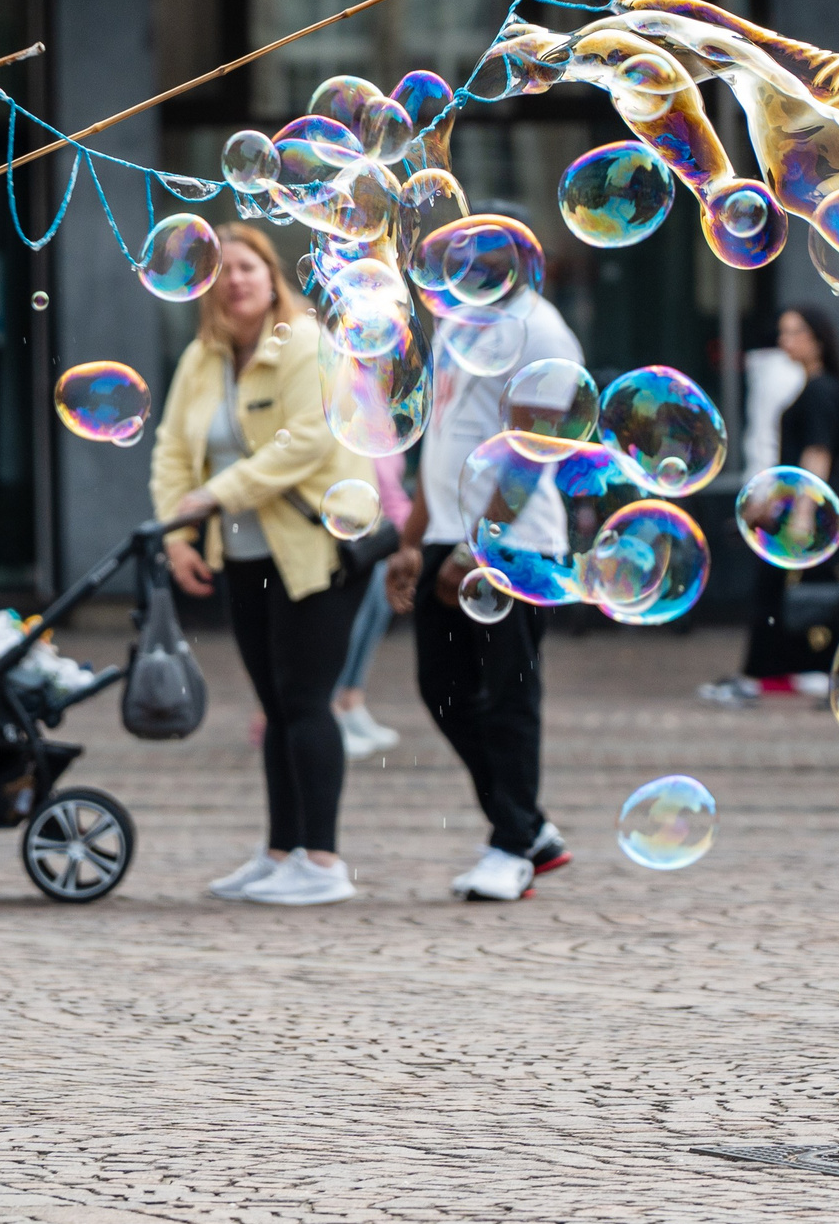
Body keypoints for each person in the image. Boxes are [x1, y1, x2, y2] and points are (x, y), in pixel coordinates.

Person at [151, 222, 375, 907]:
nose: (238, 279)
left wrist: (215, 495)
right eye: (224, 270)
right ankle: (281, 851)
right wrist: (177, 538)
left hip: (315, 551)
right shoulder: (202, 358)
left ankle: (324, 860)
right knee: (275, 707)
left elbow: (305, 442)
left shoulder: (306, 344)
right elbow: (170, 451)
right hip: (243, 554)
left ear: (271, 276)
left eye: (249, 267)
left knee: (307, 703)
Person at [385, 256, 584, 903]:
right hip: (448, 534)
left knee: (507, 698)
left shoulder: (542, 331)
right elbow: (440, 443)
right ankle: (528, 828)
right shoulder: (460, 325)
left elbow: (531, 455)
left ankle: (511, 844)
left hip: (513, 545)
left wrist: (480, 551)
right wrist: (412, 541)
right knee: (441, 689)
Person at [701, 304, 839, 705]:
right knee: (788, 590)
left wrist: (803, 514)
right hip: (804, 507)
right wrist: (771, 502)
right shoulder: (813, 385)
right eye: (783, 332)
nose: (783, 340)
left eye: (793, 332)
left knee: (807, 590)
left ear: (817, 339)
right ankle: (777, 675)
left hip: (813, 510)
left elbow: (816, 455)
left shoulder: (821, 388)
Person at [329, 451, 408, 760]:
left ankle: (351, 701)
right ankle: (332, 707)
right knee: (356, 619)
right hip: (356, 534)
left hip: (383, 532)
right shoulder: (351, 426)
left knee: (376, 612)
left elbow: (390, 489)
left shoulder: (388, 436)